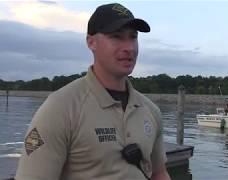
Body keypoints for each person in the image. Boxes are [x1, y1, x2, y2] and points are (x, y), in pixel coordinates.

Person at [15, 3, 171, 180]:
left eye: (133, 37)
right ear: (91, 42)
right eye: (117, 37)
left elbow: (159, 173)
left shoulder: (151, 111)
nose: (129, 47)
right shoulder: (60, 109)